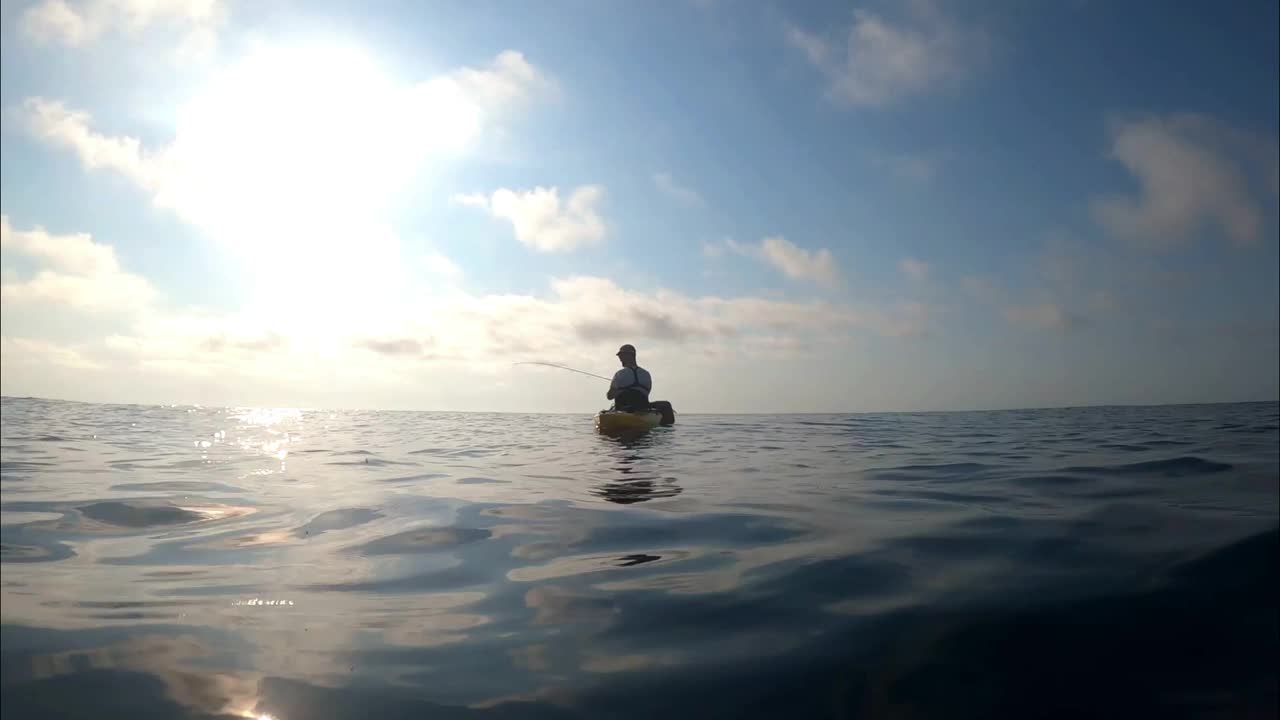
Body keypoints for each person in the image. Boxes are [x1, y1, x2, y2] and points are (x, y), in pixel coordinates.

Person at [606, 344, 652, 411]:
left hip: (623, 410)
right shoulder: (646, 374)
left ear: (629, 355)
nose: (620, 358)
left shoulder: (619, 374)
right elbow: (646, 393)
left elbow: (610, 396)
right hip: (643, 409)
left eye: (621, 355)